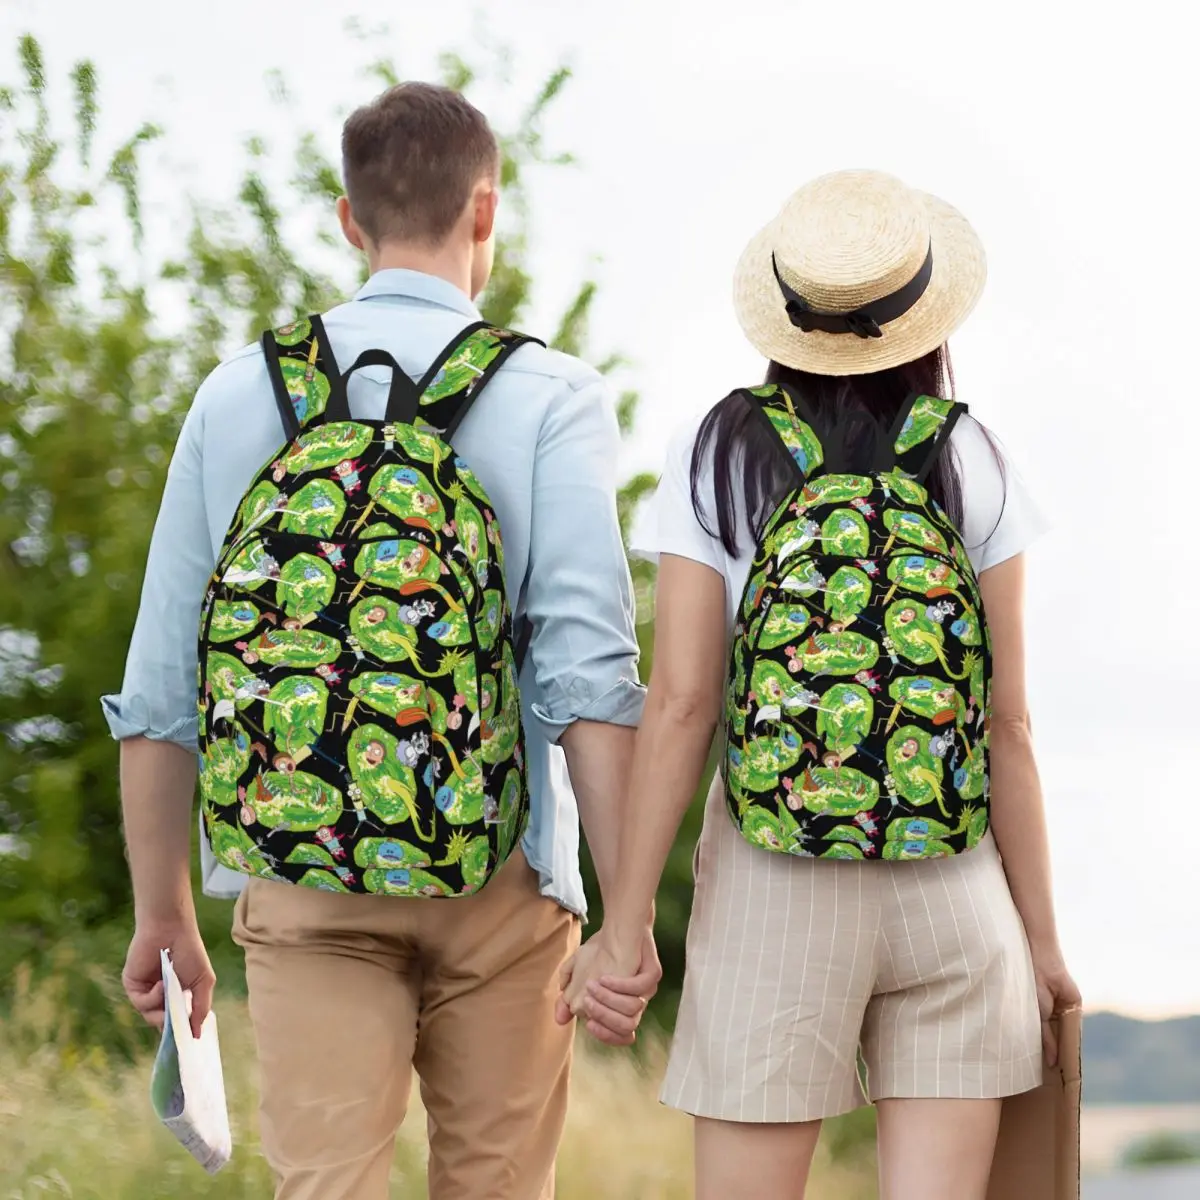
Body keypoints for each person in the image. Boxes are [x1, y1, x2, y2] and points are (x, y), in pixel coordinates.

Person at [104, 81, 660, 1200]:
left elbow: (163, 684)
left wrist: (163, 913)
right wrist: (627, 914)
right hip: (502, 875)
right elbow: (588, 679)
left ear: (350, 220)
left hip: (300, 873)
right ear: (485, 213)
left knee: (326, 1186)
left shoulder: (237, 396)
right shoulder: (550, 395)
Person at [560, 169, 1081, 1200]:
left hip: (773, 884)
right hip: (955, 887)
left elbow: (682, 705)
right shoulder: (974, 455)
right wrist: (1043, 944)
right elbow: (1008, 724)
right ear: (925, 317)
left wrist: (624, 926)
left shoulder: (719, 450)